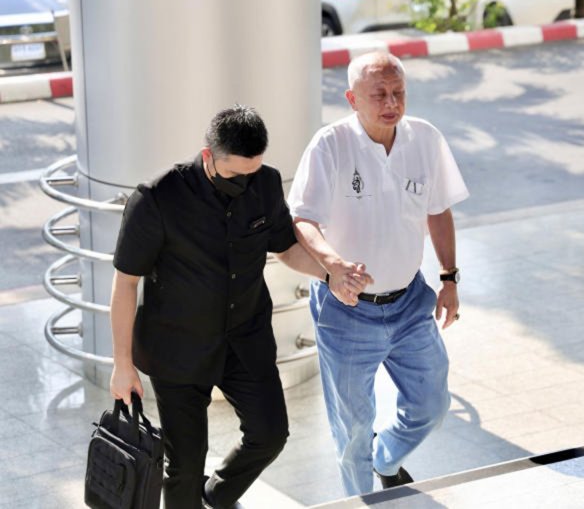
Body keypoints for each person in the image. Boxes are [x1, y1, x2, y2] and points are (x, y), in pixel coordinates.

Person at [109, 105, 332, 509]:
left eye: (251, 172)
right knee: (185, 465)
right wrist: (122, 365)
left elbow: (285, 248)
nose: (244, 183)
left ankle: (217, 495)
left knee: (270, 435)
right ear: (208, 156)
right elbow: (126, 282)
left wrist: (331, 275)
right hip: (176, 350)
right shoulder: (157, 198)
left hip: (246, 340)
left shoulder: (265, 183)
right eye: (234, 175)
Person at [287, 51, 469, 496]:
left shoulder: (425, 139)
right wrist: (333, 265)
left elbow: (438, 210)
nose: (391, 103)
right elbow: (303, 219)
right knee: (352, 430)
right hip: (346, 312)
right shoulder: (330, 145)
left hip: (410, 303)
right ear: (352, 99)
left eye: (398, 92)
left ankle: (386, 458)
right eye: (379, 94)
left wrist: (449, 278)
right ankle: (360, 501)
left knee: (432, 405)